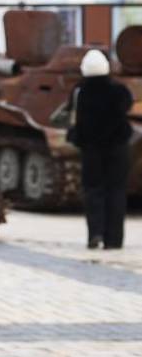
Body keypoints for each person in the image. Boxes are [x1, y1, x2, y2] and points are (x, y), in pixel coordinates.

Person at [70, 49, 132, 250]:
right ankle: (114, 240)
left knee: (93, 190)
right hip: (118, 147)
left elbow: (72, 116)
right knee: (116, 191)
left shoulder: (80, 90)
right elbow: (127, 106)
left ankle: (95, 233)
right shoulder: (119, 90)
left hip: (91, 149)